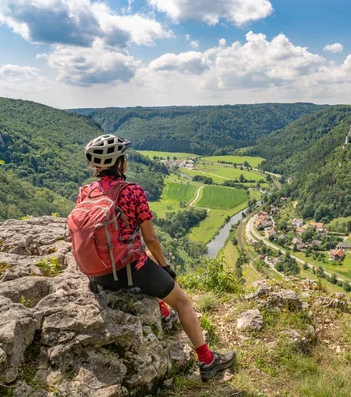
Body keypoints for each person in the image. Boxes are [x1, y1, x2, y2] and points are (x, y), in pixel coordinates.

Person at [73, 134, 235, 381]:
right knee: (182, 301)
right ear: (121, 163)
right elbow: (151, 239)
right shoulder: (132, 192)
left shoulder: (85, 192)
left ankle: (162, 312)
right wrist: (165, 266)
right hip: (128, 270)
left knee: (144, 263)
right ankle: (207, 360)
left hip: (98, 274)